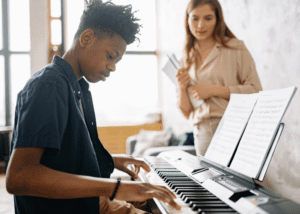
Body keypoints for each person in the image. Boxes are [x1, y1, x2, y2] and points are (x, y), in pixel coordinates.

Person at [5, 0, 181, 213]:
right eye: (110, 56)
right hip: (66, 208)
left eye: (117, 60)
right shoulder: (50, 85)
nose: (113, 67)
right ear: (86, 38)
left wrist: (113, 161)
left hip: (86, 203)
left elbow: (63, 160)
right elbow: (19, 176)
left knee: (163, 204)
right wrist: (117, 187)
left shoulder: (77, 87)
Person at [176, 0, 262, 156]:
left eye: (208, 18)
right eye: (195, 18)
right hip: (201, 132)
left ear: (217, 19)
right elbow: (187, 112)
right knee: (208, 179)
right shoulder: (185, 57)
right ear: (187, 20)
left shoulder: (236, 48)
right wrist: (182, 89)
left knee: (237, 180)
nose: (201, 25)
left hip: (233, 126)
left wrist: (213, 90)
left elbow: (256, 91)